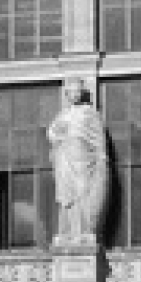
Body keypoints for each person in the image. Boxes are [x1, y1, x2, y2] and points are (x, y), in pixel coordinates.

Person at [49, 84, 108, 247]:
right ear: (67, 94)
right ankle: (68, 232)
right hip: (65, 157)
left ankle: (85, 232)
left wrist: (102, 158)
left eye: (78, 91)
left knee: (83, 192)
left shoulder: (90, 113)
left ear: (81, 94)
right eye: (72, 92)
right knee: (67, 195)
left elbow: (99, 137)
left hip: (83, 158)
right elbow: (52, 133)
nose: (75, 94)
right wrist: (57, 134)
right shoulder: (63, 114)